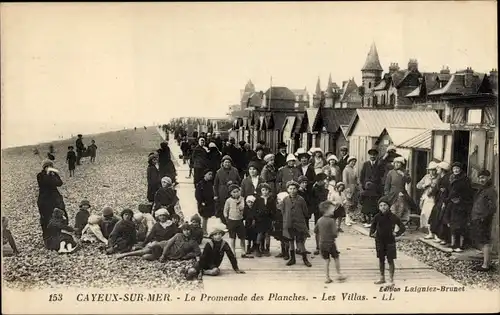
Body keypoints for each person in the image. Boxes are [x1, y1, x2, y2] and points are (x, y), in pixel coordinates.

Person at [370, 196, 406, 284]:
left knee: (390, 260)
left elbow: (402, 227)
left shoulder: (393, 217)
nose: (383, 207)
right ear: (379, 207)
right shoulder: (377, 217)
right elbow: (372, 227)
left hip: (390, 241)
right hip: (379, 241)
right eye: (381, 205)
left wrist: (397, 233)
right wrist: (372, 234)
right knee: (381, 259)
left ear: (389, 206)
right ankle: (382, 277)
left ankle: (391, 279)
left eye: (385, 205)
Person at [470, 169, 497, 271]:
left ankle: (486, 265)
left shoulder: (490, 190)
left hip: (483, 219)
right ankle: (486, 262)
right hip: (477, 218)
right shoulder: (482, 189)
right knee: (480, 239)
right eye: (480, 177)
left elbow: (493, 207)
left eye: (484, 177)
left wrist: (484, 218)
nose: (481, 179)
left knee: (485, 241)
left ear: (488, 178)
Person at [314, 201, 347, 284]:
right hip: (331, 244)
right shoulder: (331, 221)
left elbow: (315, 230)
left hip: (322, 244)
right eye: (332, 209)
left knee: (326, 261)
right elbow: (334, 234)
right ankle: (339, 274)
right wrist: (337, 232)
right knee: (336, 258)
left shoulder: (319, 220)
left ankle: (327, 277)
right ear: (327, 210)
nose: (333, 211)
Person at [444, 162, 473, 252]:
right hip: (452, 202)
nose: (456, 170)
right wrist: (448, 199)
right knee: (452, 225)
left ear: (460, 169)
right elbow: (450, 190)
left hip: (462, 204)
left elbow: (467, 193)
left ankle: (460, 245)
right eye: (454, 169)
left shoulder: (465, 179)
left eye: (457, 168)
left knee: (461, 227)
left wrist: (460, 199)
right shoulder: (451, 178)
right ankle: (453, 244)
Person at [37, 159, 66, 246]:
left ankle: (57, 236)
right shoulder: (40, 175)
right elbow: (44, 183)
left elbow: (59, 183)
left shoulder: (53, 174)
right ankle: (48, 239)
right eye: (47, 166)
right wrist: (48, 174)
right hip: (44, 200)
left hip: (55, 199)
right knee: (46, 219)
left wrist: (54, 175)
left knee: (59, 217)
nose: (49, 168)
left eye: (50, 166)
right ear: (44, 167)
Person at [282, 181, 311, 267]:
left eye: (294, 188)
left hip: (299, 224)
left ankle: (305, 259)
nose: (292, 190)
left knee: (300, 242)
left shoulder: (301, 199)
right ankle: (292, 258)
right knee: (291, 241)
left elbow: (305, 211)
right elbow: (283, 211)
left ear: (297, 189)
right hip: (289, 223)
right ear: (287, 190)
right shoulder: (285, 200)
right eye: (290, 189)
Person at [223, 184, 253, 258]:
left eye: (237, 191)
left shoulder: (242, 199)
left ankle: (243, 251)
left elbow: (244, 208)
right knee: (232, 238)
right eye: (234, 192)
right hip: (231, 221)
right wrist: (227, 219)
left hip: (240, 220)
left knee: (242, 237)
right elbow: (225, 211)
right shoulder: (228, 201)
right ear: (230, 193)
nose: (236, 193)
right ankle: (233, 252)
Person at [384, 156, 415, 226]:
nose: (397, 164)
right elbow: (387, 185)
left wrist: (403, 175)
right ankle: (392, 226)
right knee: (393, 210)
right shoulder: (391, 173)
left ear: (401, 164)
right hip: (392, 195)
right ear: (394, 164)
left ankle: (398, 226)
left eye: (399, 163)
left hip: (401, 194)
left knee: (401, 210)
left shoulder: (404, 172)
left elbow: (409, 181)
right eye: (396, 163)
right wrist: (387, 194)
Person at [428, 161, 451, 245]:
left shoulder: (447, 178)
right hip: (439, 200)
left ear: (442, 170)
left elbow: (446, 191)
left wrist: (445, 201)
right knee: (436, 217)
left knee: (442, 219)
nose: (437, 169)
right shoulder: (440, 177)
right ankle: (439, 236)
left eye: (438, 168)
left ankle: (444, 238)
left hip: (444, 200)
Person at [214, 156, 241, 223]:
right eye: (225, 162)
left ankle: (232, 222)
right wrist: (216, 194)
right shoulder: (219, 172)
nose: (227, 164)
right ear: (222, 163)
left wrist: (234, 182)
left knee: (233, 207)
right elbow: (215, 184)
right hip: (222, 192)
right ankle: (225, 222)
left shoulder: (235, 170)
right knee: (223, 208)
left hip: (233, 192)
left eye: (229, 162)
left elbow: (239, 181)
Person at [416, 162, 439, 238]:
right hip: (426, 198)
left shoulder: (438, 178)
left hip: (434, 198)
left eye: (433, 170)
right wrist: (425, 185)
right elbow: (418, 186)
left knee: (433, 215)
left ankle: (436, 234)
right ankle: (430, 232)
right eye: (430, 170)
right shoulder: (426, 177)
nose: (432, 172)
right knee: (425, 214)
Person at [254, 183, 276, 257]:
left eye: (266, 190)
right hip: (260, 220)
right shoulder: (258, 199)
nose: (265, 192)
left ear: (269, 191)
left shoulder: (271, 199)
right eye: (263, 190)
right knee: (260, 234)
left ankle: (267, 249)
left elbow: (274, 210)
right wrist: (256, 217)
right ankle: (257, 249)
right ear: (261, 191)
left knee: (267, 235)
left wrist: (273, 219)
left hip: (268, 219)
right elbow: (254, 209)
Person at [310, 172, 329, 255]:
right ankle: (318, 247)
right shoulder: (315, 189)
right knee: (318, 230)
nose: (324, 182)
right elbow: (314, 201)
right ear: (319, 181)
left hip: (325, 212)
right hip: (318, 212)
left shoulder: (326, 189)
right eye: (323, 180)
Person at [195, 169, 215, 236]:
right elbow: (197, 195)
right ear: (205, 175)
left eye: (211, 174)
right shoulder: (200, 184)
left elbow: (211, 193)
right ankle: (204, 231)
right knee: (204, 217)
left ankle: (204, 230)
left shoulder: (209, 184)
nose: (210, 176)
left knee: (206, 217)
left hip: (209, 203)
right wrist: (201, 202)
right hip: (203, 203)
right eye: (209, 174)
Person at [272, 192, 290, 260]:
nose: (278, 201)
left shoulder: (286, 207)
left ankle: (287, 253)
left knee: (286, 240)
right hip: (279, 224)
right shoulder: (277, 206)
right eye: (278, 199)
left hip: (285, 224)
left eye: (280, 199)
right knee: (281, 239)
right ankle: (283, 251)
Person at [342, 156, 359, 225]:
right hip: (348, 187)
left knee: (353, 203)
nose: (353, 163)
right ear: (349, 162)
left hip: (354, 187)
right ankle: (347, 219)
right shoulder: (346, 170)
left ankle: (350, 218)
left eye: (354, 161)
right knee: (348, 204)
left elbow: (356, 178)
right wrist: (347, 188)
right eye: (352, 161)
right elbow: (345, 180)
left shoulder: (354, 169)